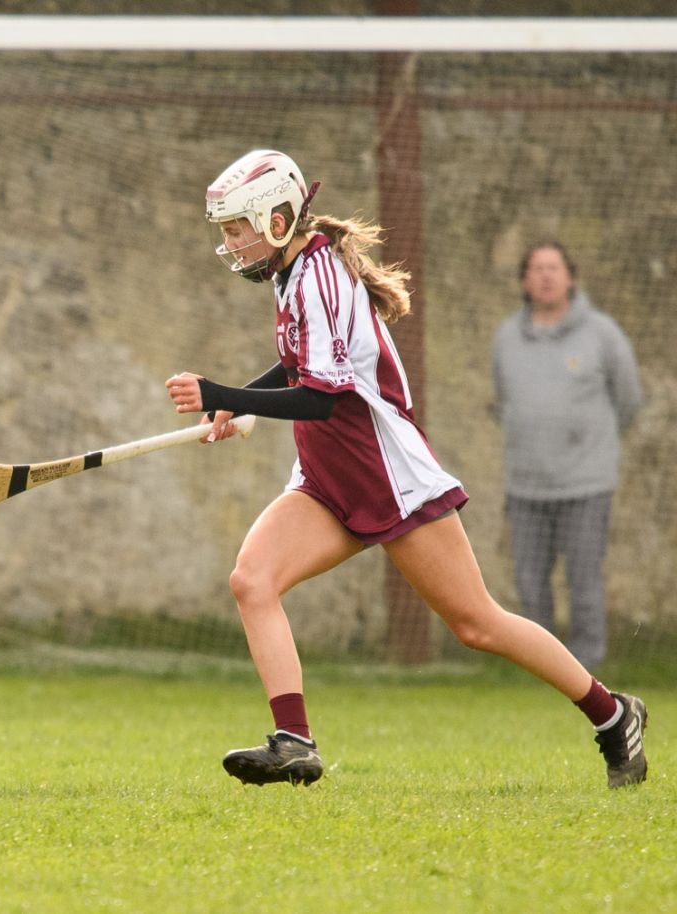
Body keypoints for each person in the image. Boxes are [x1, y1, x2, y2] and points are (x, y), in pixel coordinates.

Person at [164, 149, 648, 789]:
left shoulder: (321, 276)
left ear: (276, 218)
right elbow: (302, 366)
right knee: (252, 579)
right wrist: (232, 402)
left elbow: (326, 396)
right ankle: (294, 741)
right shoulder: (291, 274)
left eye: (235, 228)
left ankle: (614, 716)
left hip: (385, 475)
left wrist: (220, 392)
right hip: (326, 478)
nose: (229, 243)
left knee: (477, 623)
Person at [491, 242, 642, 670]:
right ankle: (543, 669)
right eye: (536, 269)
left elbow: (628, 399)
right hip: (526, 488)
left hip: (586, 486)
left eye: (553, 268)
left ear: (570, 278)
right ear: (524, 281)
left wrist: (591, 446)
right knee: (529, 582)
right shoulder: (506, 338)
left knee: (584, 581)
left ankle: (587, 670)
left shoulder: (602, 333)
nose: (545, 276)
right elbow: (505, 400)